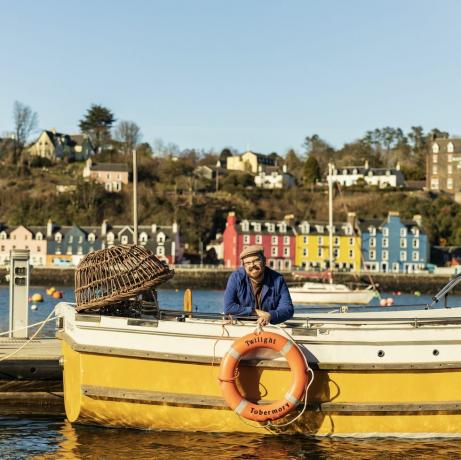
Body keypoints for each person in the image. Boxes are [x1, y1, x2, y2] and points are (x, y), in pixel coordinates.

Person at [223, 245, 294, 325]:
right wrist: (256, 312)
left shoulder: (278, 279)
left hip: (268, 328)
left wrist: (270, 315)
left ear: (264, 261)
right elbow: (228, 307)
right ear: (243, 266)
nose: (252, 265)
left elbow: (288, 309)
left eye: (256, 260)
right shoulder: (236, 278)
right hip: (241, 326)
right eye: (248, 263)